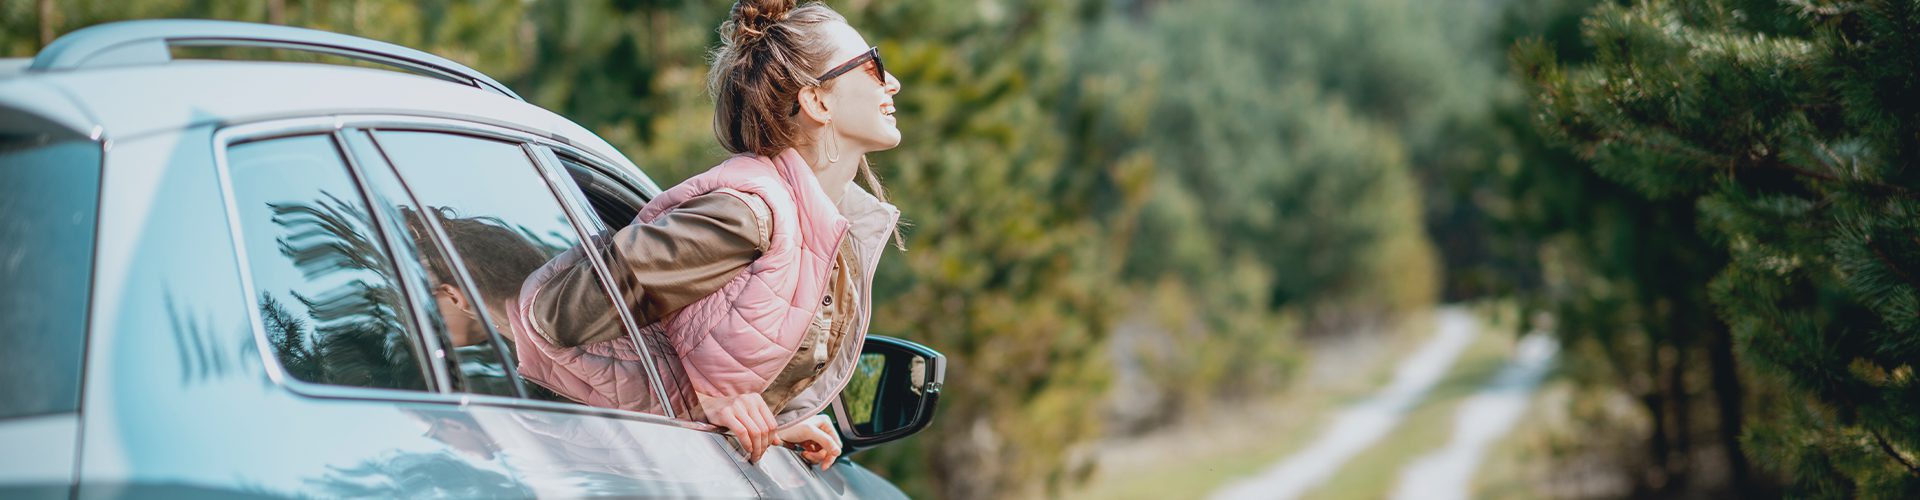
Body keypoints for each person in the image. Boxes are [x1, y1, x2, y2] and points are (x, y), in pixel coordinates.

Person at [512, 0, 904, 469]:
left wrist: (769, 425)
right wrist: (717, 395)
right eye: (874, 67)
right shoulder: (745, 216)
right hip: (573, 459)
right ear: (817, 101)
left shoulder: (810, 224)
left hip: (639, 462)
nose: (892, 82)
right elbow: (558, 313)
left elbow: (703, 344)